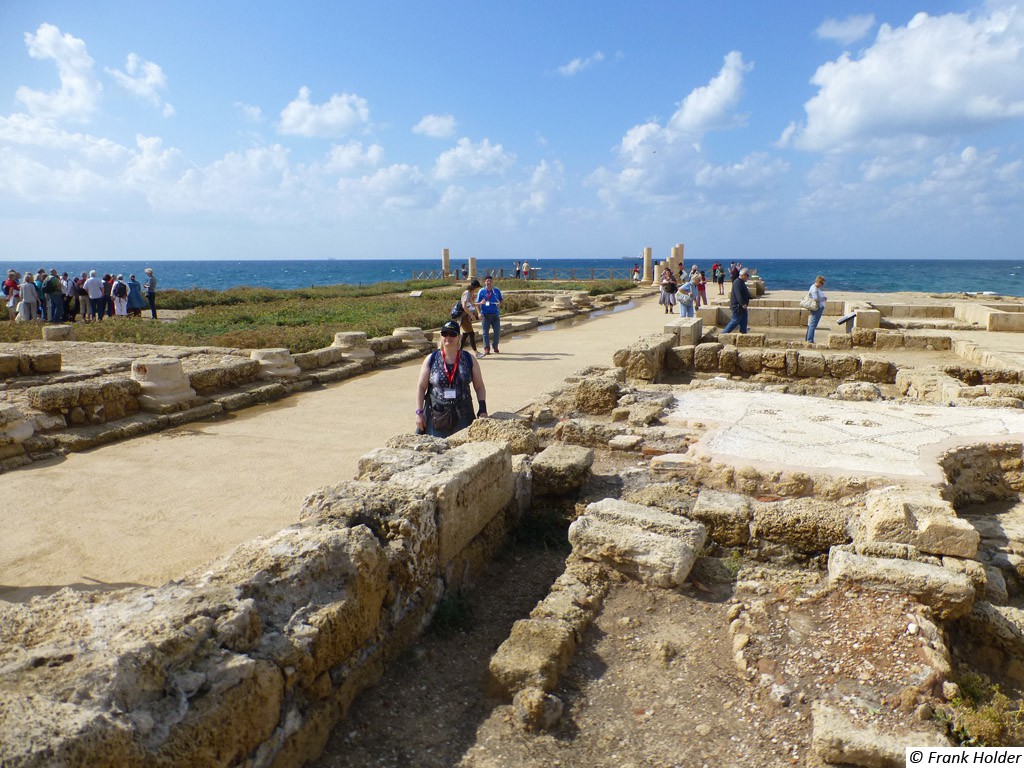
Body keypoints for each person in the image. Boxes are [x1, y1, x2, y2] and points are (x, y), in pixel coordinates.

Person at [415, 320, 487, 437]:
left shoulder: (469, 359)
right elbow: (421, 387)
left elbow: (479, 386)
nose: (448, 337)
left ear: (459, 337)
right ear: (441, 336)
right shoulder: (431, 359)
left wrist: (482, 409)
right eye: (445, 334)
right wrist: (419, 413)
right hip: (437, 414)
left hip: (463, 414)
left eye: (452, 334)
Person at [475, 275, 503, 356]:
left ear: (492, 282)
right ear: (484, 282)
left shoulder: (496, 290)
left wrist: (500, 304)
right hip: (485, 315)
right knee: (485, 333)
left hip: (495, 314)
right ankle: (486, 348)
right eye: (487, 281)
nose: (489, 282)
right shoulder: (481, 291)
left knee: (497, 331)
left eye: (490, 281)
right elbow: (477, 304)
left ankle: (495, 345)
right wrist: (479, 313)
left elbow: (501, 300)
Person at [723, 268, 752, 334]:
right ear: (744, 275)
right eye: (747, 276)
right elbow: (738, 294)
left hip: (742, 308)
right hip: (738, 307)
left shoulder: (741, 282)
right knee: (735, 321)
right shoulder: (737, 282)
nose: (748, 277)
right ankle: (723, 334)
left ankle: (743, 335)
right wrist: (743, 304)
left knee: (743, 322)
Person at [459, 278, 481, 353]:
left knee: (465, 334)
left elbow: (472, 304)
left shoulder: (470, 293)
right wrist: (472, 315)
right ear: (475, 287)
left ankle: (459, 351)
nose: (477, 289)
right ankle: (476, 352)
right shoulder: (467, 293)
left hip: (466, 316)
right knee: (471, 334)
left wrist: (481, 303)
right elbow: (464, 306)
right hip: (464, 317)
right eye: (477, 288)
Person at [805, 275, 827, 343]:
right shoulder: (814, 289)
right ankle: (809, 340)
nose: (822, 285)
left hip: (818, 307)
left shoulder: (814, 287)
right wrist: (824, 298)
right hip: (817, 308)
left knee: (812, 324)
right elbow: (816, 299)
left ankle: (808, 339)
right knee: (813, 324)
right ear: (819, 282)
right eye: (822, 283)